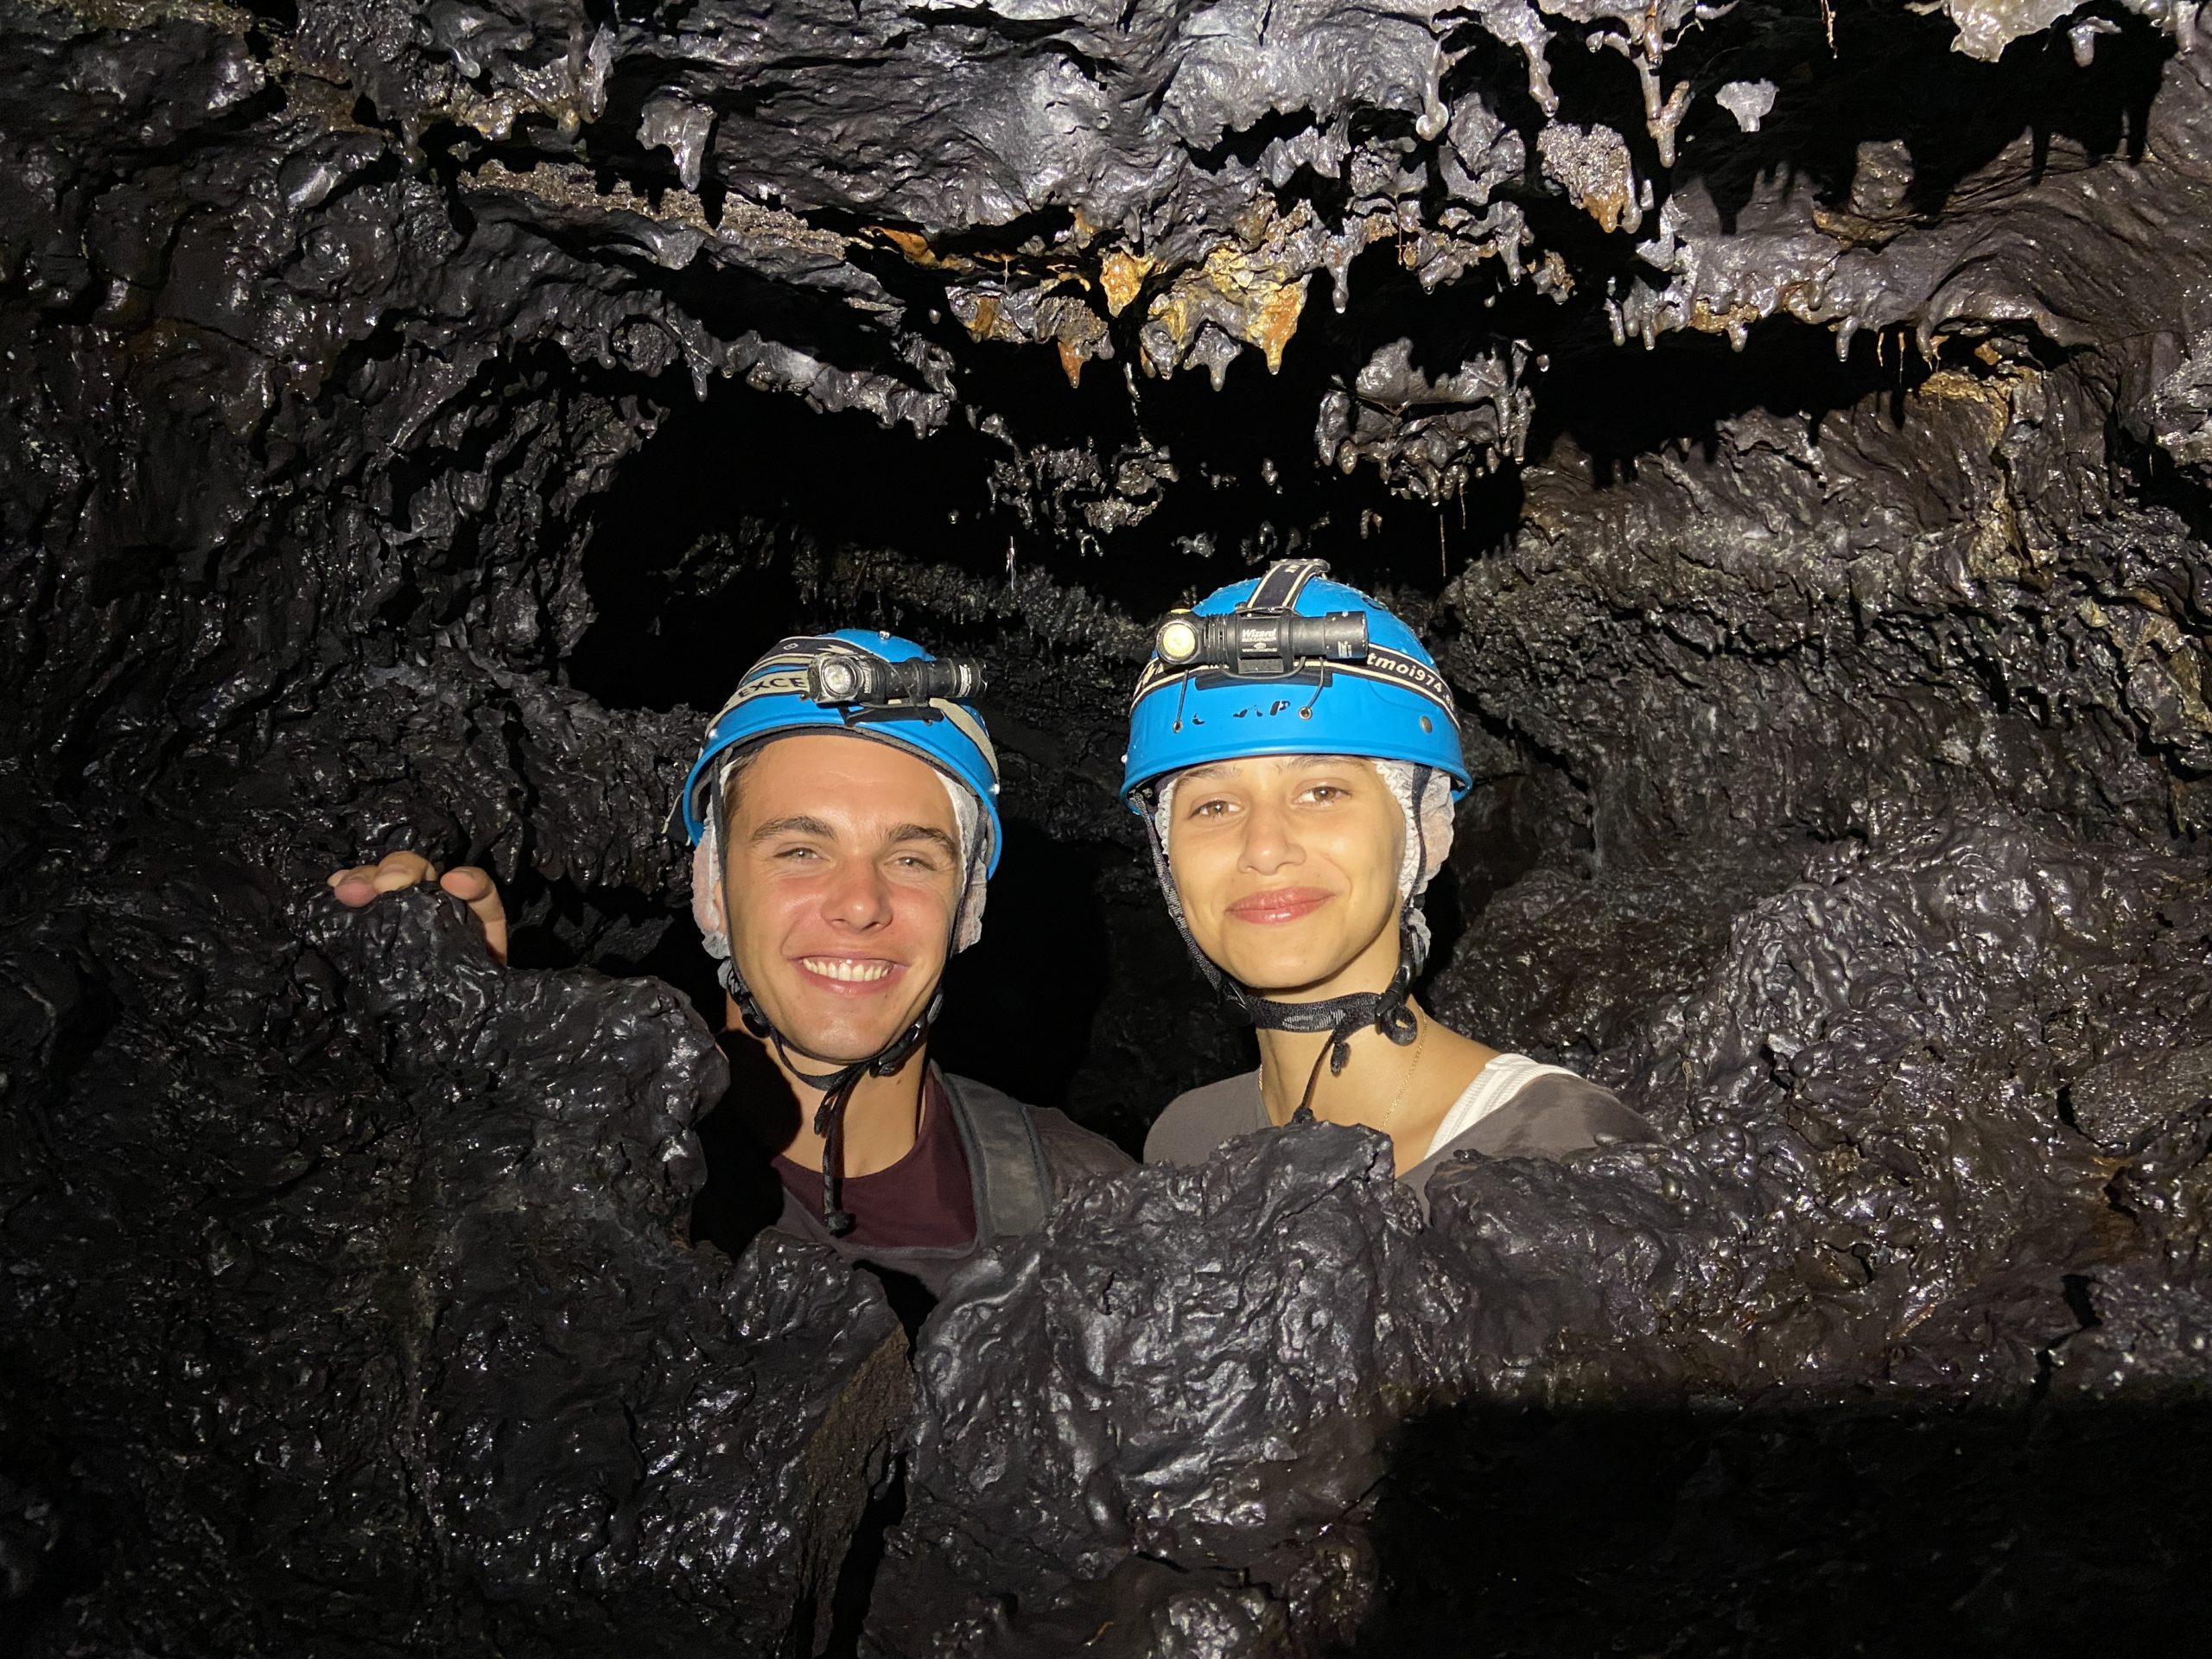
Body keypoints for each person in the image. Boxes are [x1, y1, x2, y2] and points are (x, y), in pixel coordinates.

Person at [330, 630, 1128, 1301]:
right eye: (801, 850)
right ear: (712, 886)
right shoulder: (584, 1140)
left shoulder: (1094, 1206)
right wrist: (467, 1093)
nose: (859, 904)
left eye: (913, 859)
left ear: (968, 909)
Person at [1122, 558, 1653, 1203]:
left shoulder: (1560, 1157)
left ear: (1423, 831)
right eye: (1214, 806)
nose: (1263, 849)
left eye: (1321, 791)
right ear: (1165, 856)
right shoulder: (1183, 1144)